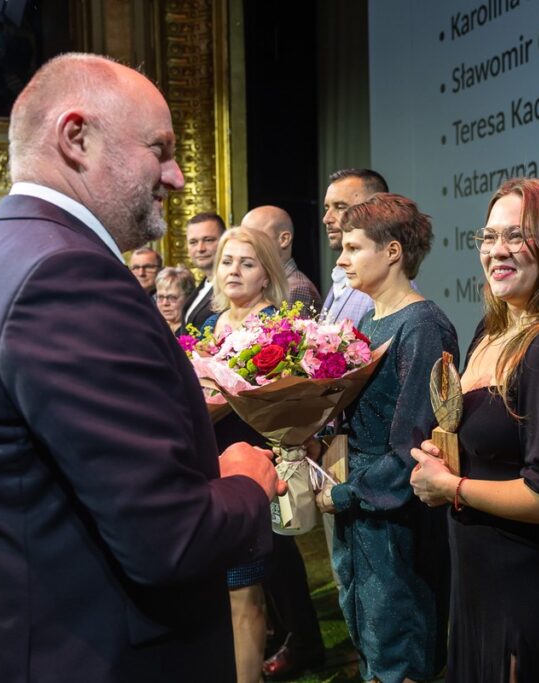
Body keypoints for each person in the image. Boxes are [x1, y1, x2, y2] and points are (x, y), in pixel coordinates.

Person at [0, 53, 282, 683]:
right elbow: (168, 540)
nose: (175, 176)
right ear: (76, 137)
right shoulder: (67, 274)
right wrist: (246, 482)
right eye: (160, 149)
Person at [410, 177, 539, 682]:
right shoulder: (493, 330)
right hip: (480, 585)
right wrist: (445, 453)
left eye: (517, 236)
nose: (497, 250)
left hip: (530, 592)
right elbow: (496, 448)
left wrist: (451, 487)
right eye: (490, 236)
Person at [315, 193, 458, 683]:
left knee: (400, 648)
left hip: (396, 519)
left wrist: (344, 492)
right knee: (368, 638)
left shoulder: (422, 326)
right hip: (362, 510)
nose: (341, 258)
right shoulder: (365, 321)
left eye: (354, 248)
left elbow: (414, 449)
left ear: (393, 252)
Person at [238, 206, 328, 679]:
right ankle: (287, 633)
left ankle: (300, 638)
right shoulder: (217, 317)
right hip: (237, 455)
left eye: (250, 252)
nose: (239, 263)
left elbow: (297, 377)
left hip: (267, 450)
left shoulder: (288, 299)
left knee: (275, 553)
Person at [203, 225, 290, 683]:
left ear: (265, 276)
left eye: (247, 262)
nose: (234, 270)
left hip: (252, 468)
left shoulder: (275, 329)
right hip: (207, 468)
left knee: (244, 590)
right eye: (227, 261)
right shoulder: (208, 324)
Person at [320, 168, 388, 326]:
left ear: (375, 209)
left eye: (340, 207)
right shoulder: (343, 275)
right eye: (326, 208)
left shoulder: (385, 285)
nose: (326, 218)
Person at [241, 205, 323, 313]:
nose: (244, 244)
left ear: (284, 239)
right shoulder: (263, 283)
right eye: (243, 237)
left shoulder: (296, 289)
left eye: (254, 237)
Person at [184, 211, 227, 330]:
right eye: (193, 242)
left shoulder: (231, 288)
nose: (200, 248)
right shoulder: (203, 286)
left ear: (225, 241)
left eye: (208, 240)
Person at [155, 265, 196, 335]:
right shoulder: (152, 327)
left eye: (172, 297)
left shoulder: (195, 331)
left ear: (188, 298)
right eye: (160, 297)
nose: (165, 303)